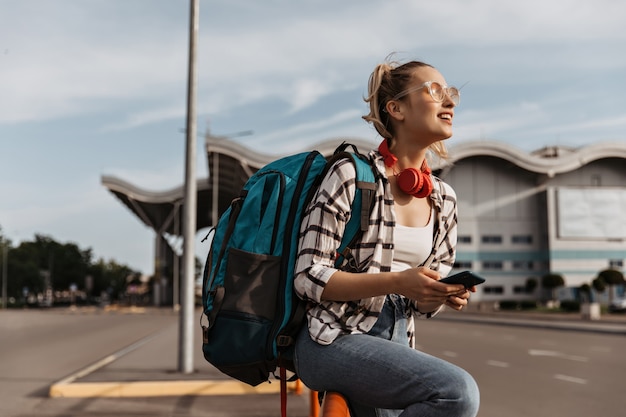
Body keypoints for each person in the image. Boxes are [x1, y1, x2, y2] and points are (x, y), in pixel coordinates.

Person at [293, 56, 480, 417]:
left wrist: (438, 293)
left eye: (451, 92)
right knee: (457, 393)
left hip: (397, 341)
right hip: (331, 336)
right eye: (434, 91)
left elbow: (420, 306)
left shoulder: (445, 199)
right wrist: (397, 281)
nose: (451, 101)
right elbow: (308, 276)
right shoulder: (351, 175)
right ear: (396, 109)